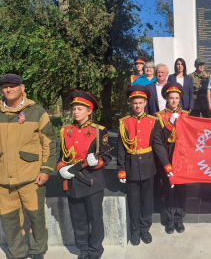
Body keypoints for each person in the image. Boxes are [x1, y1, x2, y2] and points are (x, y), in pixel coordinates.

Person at [0, 74, 56, 259]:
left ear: (22, 88)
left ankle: (38, 252)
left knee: (36, 218)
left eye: (13, 86)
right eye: (5, 86)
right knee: (9, 221)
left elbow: (49, 141)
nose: (8, 90)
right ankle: (17, 254)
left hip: (31, 177)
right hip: (3, 180)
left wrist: (46, 169)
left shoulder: (37, 111)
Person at [57, 91, 112, 259]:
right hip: (73, 181)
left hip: (92, 181)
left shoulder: (99, 131)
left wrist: (98, 162)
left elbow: (107, 156)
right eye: (74, 108)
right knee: (78, 218)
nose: (75, 112)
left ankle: (95, 250)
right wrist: (60, 168)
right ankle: (84, 249)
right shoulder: (65, 131)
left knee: (95, 218)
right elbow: (61, 156)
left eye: (80, 109)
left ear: (89, 111)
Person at [117, 85, 173, 246]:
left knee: (147, 201)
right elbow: (121, 149)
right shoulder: (124, 122)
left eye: (141, 103)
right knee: (134, 201)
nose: (138, 106)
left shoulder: (153, 121)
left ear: (146, 103)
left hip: (148, 166)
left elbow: (158, 145)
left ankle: (144, 229)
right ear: (130, 104)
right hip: (131, 166)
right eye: (135, 103)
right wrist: (121, 170)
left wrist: (167, 166)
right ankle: (135, 231)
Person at [155, 82, 189, 234]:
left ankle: (179, 218)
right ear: (166, 99)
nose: (174, 101)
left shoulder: (187, 115)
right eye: (171, 98)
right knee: (168, 188)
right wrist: (170, 123)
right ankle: (169, 219)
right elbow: (159, 139)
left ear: (180, 98)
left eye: (176, 98)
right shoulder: (159, 116)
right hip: (167, 154)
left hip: (182, 155)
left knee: (181, 189)